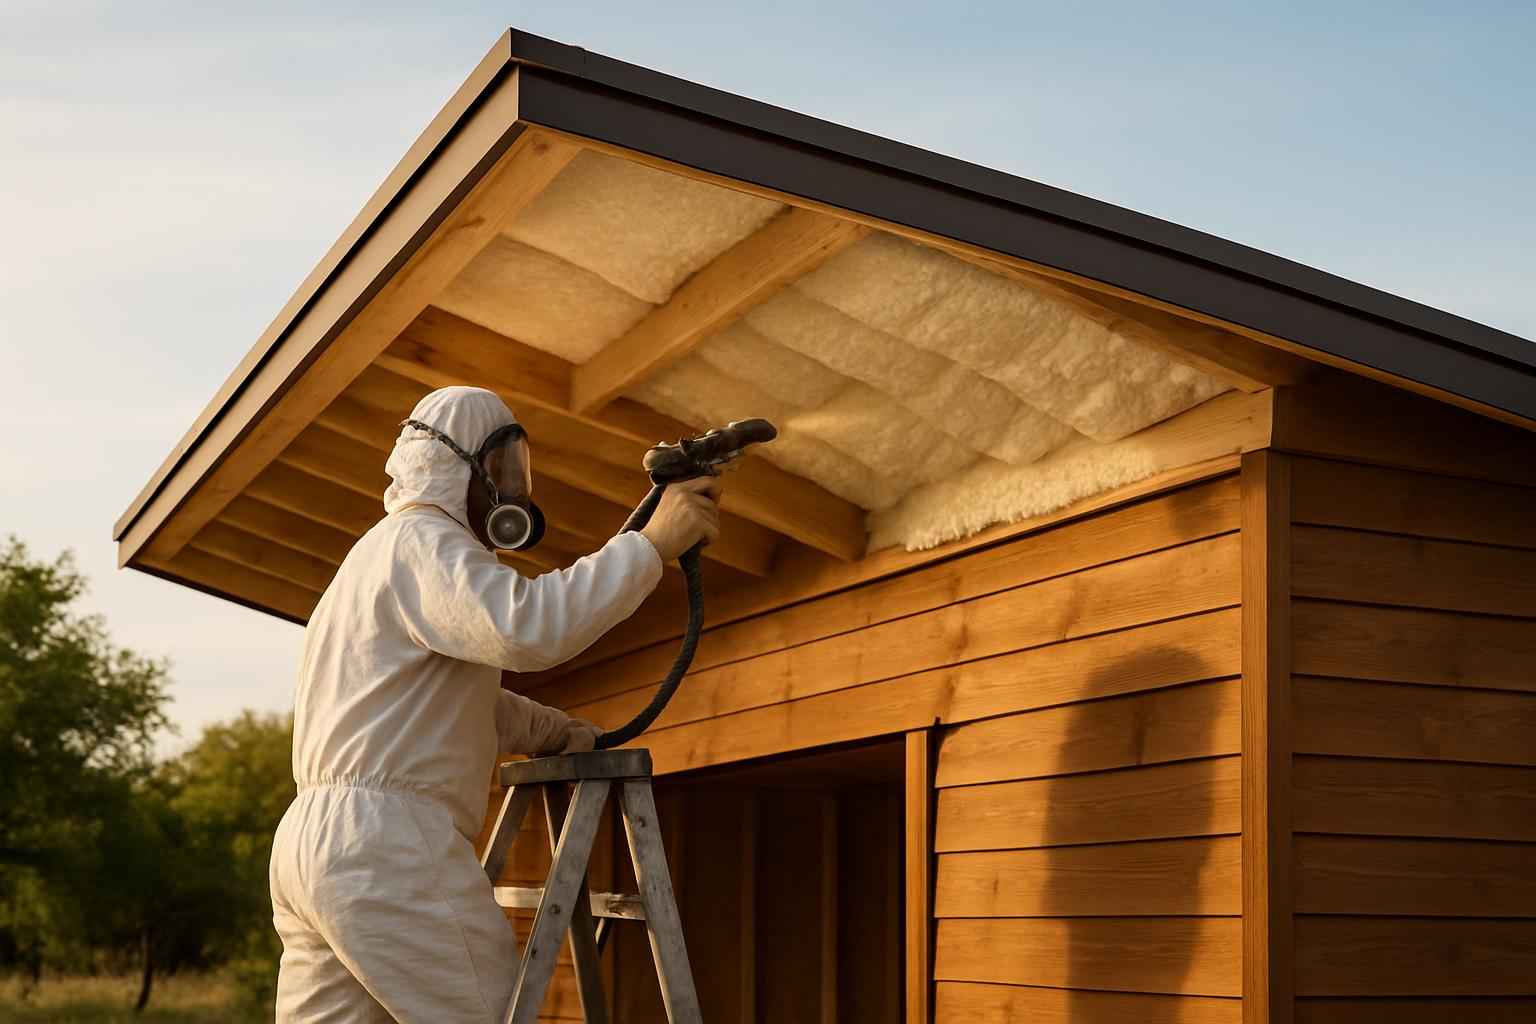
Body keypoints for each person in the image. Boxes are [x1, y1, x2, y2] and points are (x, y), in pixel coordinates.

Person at [268, 386, 721, 1022]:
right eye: (504, 470)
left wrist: (559, 732)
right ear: (461, 466)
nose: (511, 488)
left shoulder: (372, 558)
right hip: (385, 847)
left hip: (310, 846)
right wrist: (650, 547)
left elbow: (457, 698)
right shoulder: (424, 542)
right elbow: (527, 627)